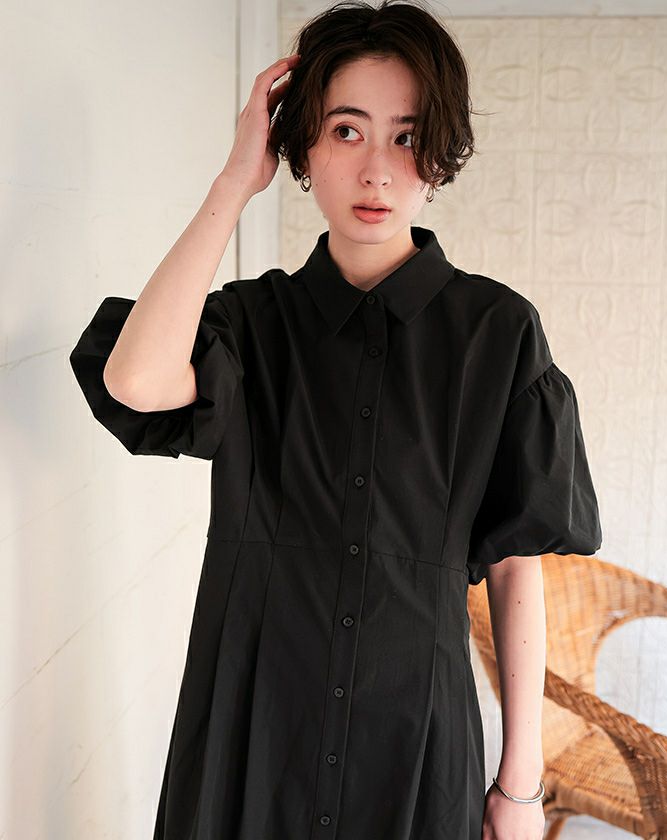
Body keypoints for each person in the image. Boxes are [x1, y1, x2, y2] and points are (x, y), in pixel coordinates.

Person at [69, 1, 602, 838]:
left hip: (415, 742)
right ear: (303, 149)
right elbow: (135, 383)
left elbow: (512, 568)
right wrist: (234, 183)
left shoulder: (497, 334)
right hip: (251, 733)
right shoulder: (251, 324)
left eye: (406, 136)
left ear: (439, 154)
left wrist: (520, 784)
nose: (377, 172)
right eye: (346, 131)